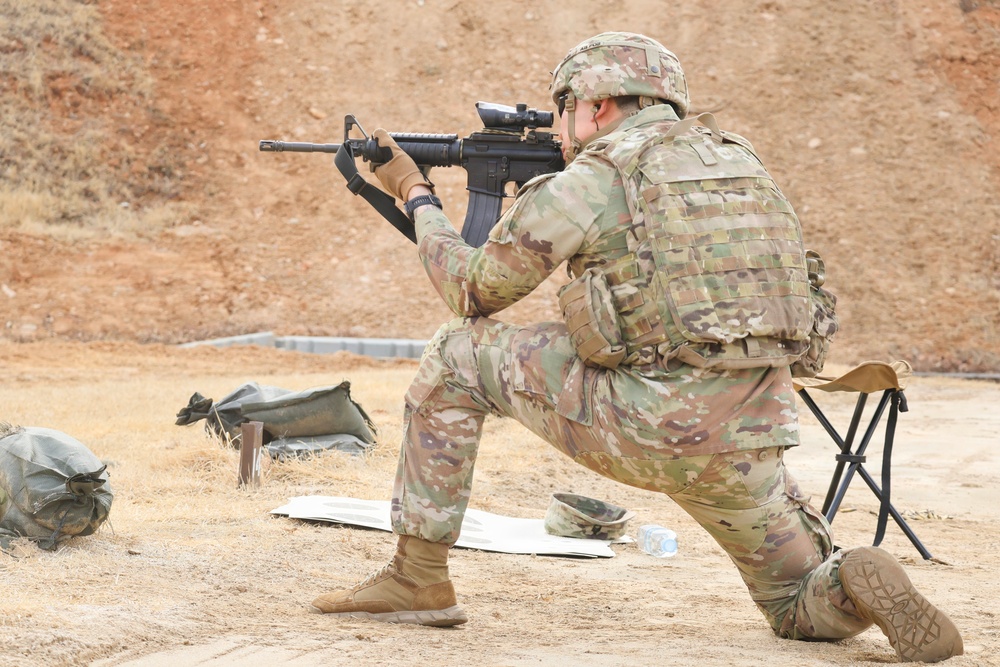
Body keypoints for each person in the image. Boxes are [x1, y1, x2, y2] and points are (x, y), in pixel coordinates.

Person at [311, 32, 963, 663]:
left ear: (595, 105)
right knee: (794, 602)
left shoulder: (598, 176)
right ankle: (848, 574)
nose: (560, 133)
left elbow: (472, 288)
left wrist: (415, 192)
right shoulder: (743, 166)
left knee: (457, 351)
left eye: (564, 113)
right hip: (749, 438)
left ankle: (417, 576)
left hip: (646, 424)